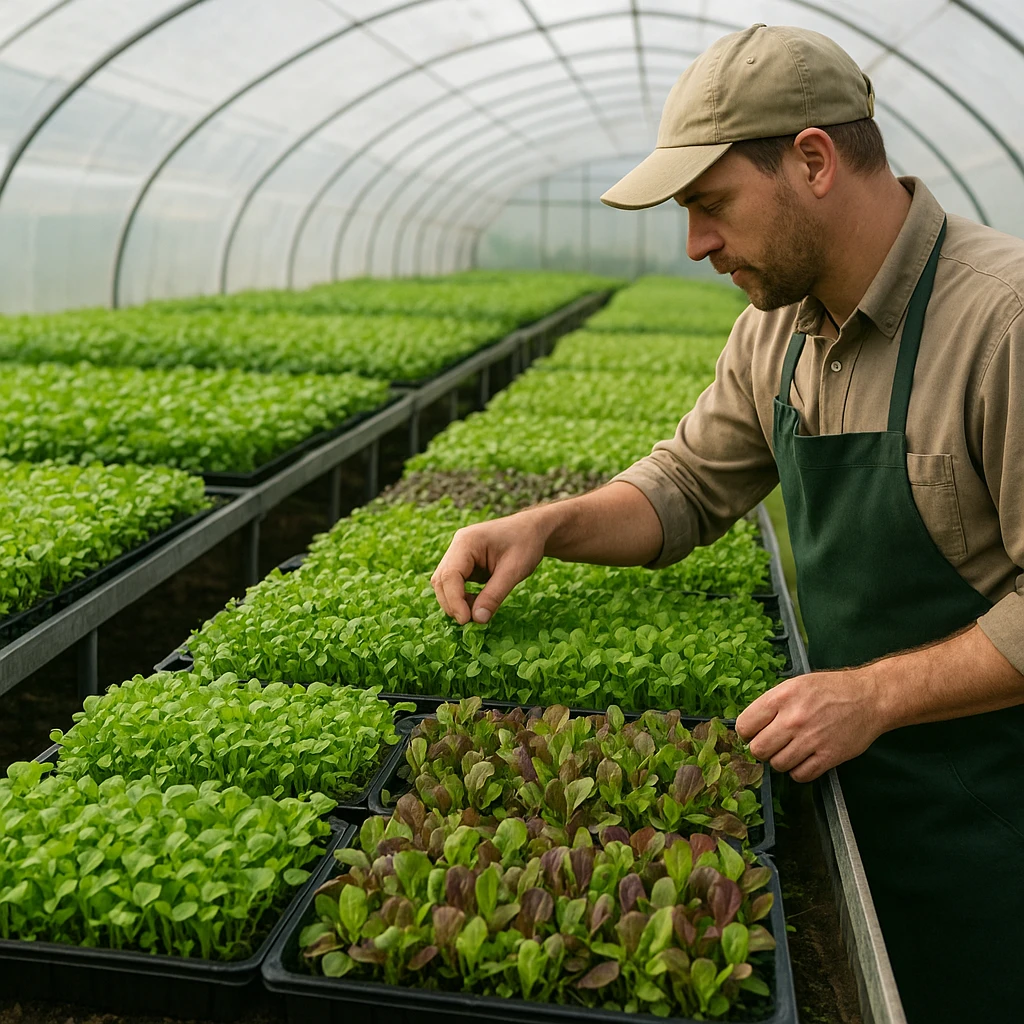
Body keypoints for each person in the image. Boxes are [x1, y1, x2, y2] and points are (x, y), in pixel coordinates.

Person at [430, 22, 1024, 1024]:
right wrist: (551, 523)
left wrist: (872, 694)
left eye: (710, 206)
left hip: (994, 827)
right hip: (856, 786)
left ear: (811, 160)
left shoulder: (999, 322)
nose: (696, 244)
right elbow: (688, 484)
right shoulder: (775, 330)